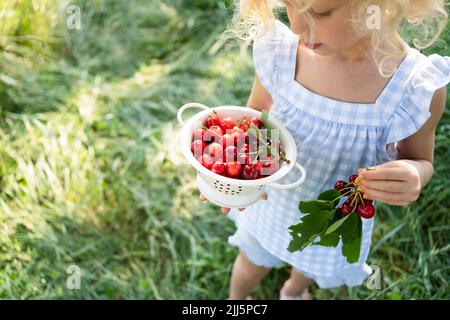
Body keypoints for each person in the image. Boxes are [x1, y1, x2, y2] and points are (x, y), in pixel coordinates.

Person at [200, 0, 449, 299]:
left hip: (330, 222)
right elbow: (253, 120)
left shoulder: (413, 87)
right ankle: (236, 300)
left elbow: (420, 159)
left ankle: (293, 291)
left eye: (319, 13)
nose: (296, 26)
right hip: (269, 204)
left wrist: (414, 174)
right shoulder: (283, 53)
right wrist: (232, 179)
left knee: (307, 265)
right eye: (289, 5)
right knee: (252, 261)